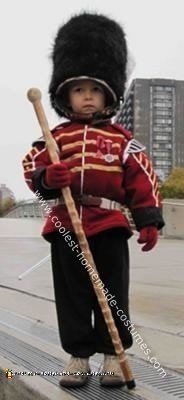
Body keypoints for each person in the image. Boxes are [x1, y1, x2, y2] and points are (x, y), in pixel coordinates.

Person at [22, 13, 165, 388]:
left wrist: (148, 219)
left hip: (110, 227)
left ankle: (114, 356)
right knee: (72, 295)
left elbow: (143, 178)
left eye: (95, 89)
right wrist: (46, 179)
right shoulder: (54, 138)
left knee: (112, 295)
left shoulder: (122, 141)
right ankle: (78, 356)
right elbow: (31, 169)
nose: (87, 96)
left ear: (109, 94)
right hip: (66, 228)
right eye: (78, 89)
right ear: (64, 95)